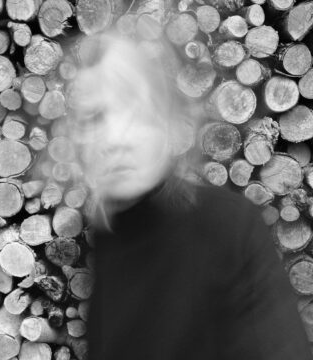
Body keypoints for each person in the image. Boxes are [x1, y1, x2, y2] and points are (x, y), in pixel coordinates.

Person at [67, 31, 313, 360]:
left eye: (134, 112)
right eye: (95, 118)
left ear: (165, 124)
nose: (115, 138)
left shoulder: (227, 226)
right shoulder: (108, 237)